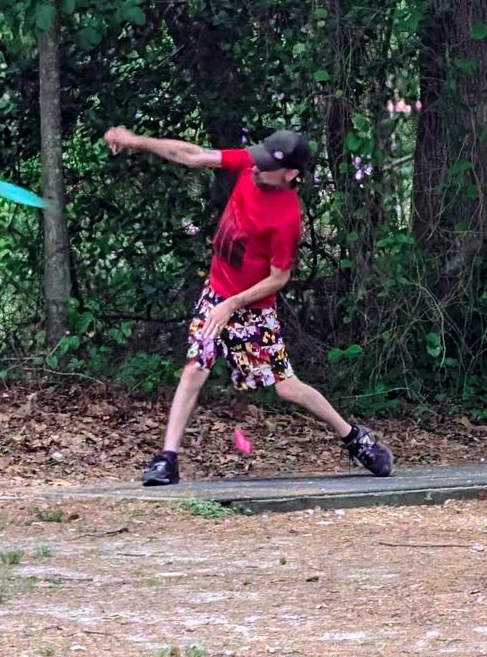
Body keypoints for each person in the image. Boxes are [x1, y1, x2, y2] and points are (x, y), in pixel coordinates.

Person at [103, 125, 393, 485]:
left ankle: (354, 438)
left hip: (252, 308)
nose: (256, 169)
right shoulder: (249, 166)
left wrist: (234, 304)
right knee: (195, 369)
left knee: (287, 387)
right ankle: (167, 458)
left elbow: (278, 278)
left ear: (291, 174)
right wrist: (136, 141)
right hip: (217, 292)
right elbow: (193, 155)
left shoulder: (286, 218)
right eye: (257, 161)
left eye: (266, 166)